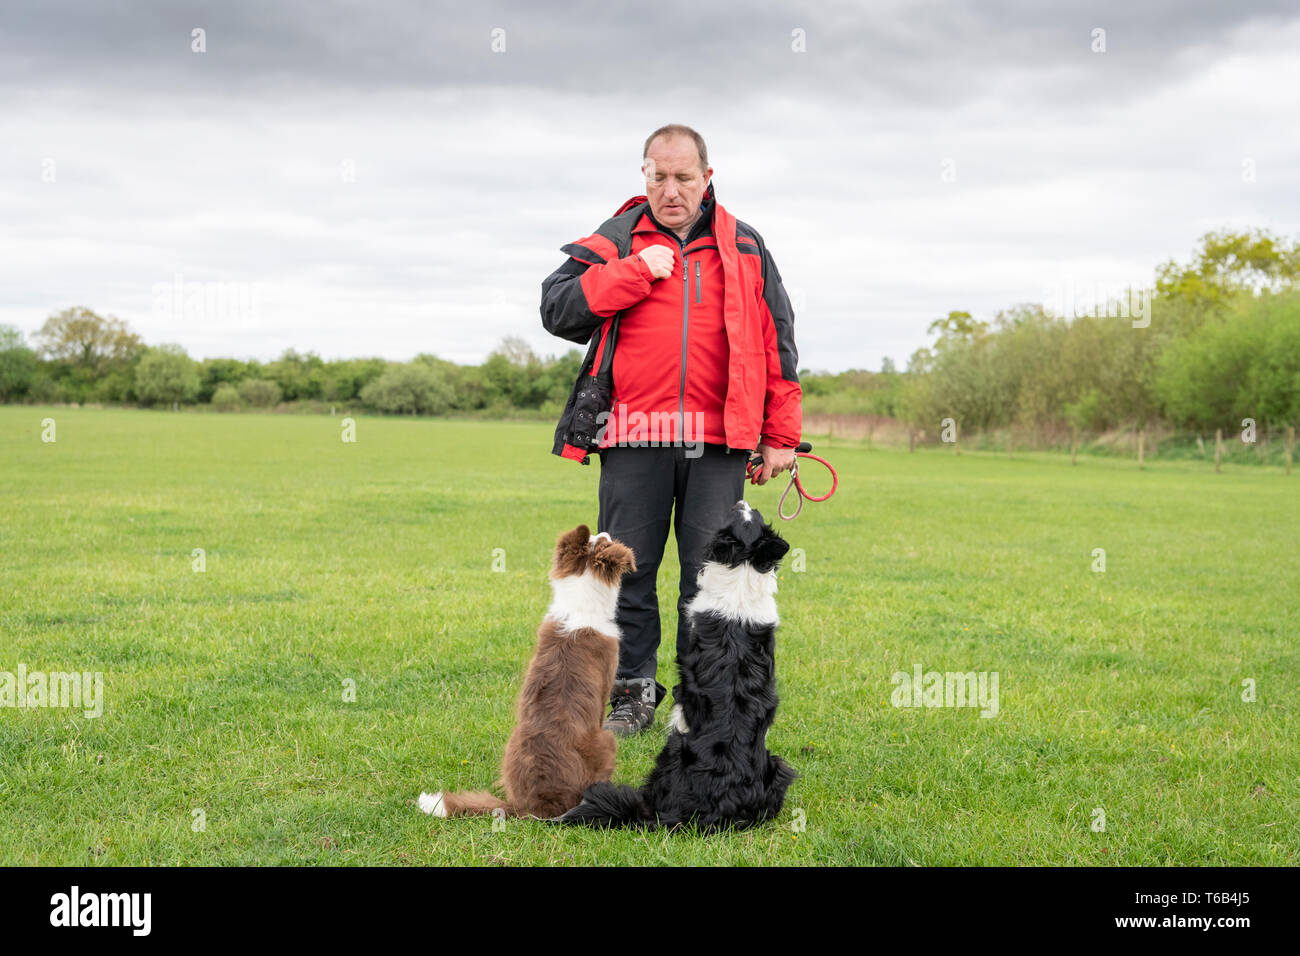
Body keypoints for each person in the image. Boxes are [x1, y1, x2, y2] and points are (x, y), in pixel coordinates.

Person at [539, 123, 802, 735]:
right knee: (627, 567)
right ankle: (632, 691)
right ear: (645, 176)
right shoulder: (620, 238)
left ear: (707, 177)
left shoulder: (745, 246)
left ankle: (699, 698)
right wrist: (634, 271)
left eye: (684, 176)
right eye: (659, 176)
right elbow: (557, 309)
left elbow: (777, 342)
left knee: (709, 574)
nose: (671, 188)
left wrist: (781, 434)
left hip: (719, 439)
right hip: (633, 434)